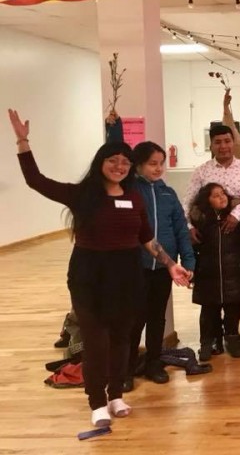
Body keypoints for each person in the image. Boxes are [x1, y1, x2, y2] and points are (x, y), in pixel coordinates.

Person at [8, 109, 191, 428]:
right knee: (96, 342)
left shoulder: (133, 197)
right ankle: (96, 402)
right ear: (100, 163)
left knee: (121, 339)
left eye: (125, 162)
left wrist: (171, 265)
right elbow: (35, 181)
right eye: (113, 160)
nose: (120, 166)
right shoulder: (83, 194)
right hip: (89, 276)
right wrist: (23, 142)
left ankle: (116, 395)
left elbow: (146, 238)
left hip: (127, 276)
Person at [127, 141, 196, 390]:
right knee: (135, 319)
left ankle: (154, 363)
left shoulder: (168, 193)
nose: (158, 168)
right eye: (152, 164)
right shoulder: (129, 191)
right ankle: (127, 368)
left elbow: (181, 229)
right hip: (137, 268)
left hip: (164, 269)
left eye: (161, 163)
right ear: (138, 165)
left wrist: (188, 261)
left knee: (157, 318)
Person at [190, 183, 240, 361]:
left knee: (233, 308)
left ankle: (232, 337)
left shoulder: (234, 218)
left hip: (232, 272)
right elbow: (194, 245)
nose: (222, 197)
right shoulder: (201, 220)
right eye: (216, 195)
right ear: (207, 200)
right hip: (208, 273)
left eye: (223, 193)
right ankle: (209, 342)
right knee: (209, 310)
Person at [182, 124, 240, 243]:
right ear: (211, 146)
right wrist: (188, 226)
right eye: (218, 142)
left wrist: (236, 214)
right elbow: (188, 202)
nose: (223, 146)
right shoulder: (201, 171)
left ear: (234, 143)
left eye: (227, 141)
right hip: (209, 236)